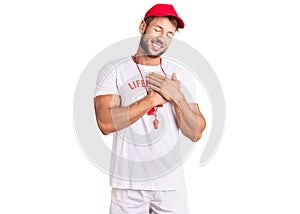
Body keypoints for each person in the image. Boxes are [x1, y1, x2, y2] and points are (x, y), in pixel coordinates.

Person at [94, 4, 206, 214]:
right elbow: (105, 123)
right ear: (142, 26)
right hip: (128, 185)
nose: (162, 38)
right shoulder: (114, 70)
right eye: (157, 29)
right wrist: (152, 99)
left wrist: (177, 97)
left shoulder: (180, 74)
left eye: (169, 34)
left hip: (171, 186)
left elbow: (196, 132)